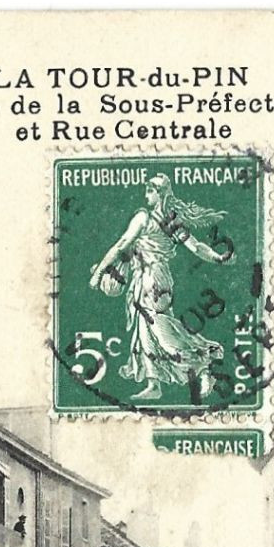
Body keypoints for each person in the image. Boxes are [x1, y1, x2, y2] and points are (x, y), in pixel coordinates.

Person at [88, 173, 234, 403]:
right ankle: (153, 383)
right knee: (145, 331)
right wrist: (217, 257)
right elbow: (196, 247)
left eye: (150, 189)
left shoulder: (143, 218)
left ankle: (203, 368)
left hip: (152, 278)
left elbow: (122, 244)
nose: (146, 193)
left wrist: (98, 273)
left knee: (160, 330)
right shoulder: (170, 221)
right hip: (150, 277)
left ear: (159, 193)